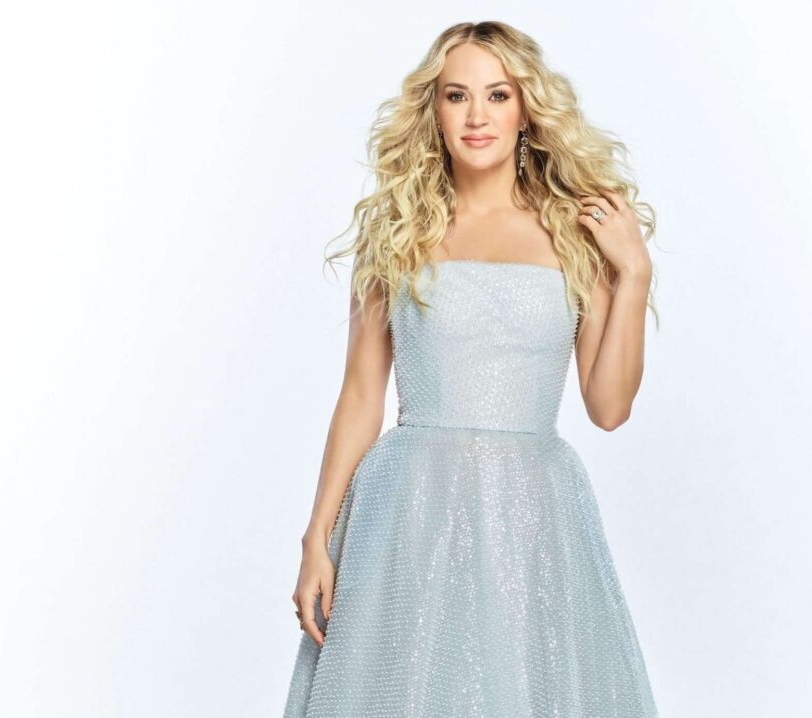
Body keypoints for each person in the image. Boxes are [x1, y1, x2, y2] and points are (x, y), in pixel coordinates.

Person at [283, 20, 661, 717]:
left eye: (498, 95)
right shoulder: (397, 230)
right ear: (434, 110)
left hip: (534, 511)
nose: (477, 116)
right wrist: (317, 538)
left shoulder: (576, 236)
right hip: (409, 508)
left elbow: (608, 408)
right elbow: (361, 395)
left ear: (526, 110)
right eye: (457, 96)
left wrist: (633, 271)